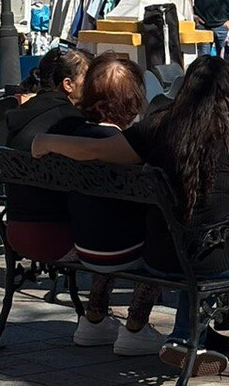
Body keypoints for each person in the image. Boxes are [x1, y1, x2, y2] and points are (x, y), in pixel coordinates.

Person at [31, 56, 229, 376]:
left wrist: (47, 140)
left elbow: (96, 149)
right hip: (215, 259)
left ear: (184, 90)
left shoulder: (158, 129)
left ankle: (186, 339)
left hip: (162, 257)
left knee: (191, 240)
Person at [67, 53, 165, 356]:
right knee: (163, 237)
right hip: (126, 251)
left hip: (84, 247)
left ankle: (93, 318)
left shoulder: (72, 137)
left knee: (111, 224)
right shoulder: (130, 145)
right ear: (133, 101)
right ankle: (135, 326)